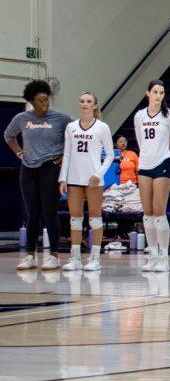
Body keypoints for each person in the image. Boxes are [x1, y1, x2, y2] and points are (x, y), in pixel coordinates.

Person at [5, 80, 71, 271]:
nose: (44, 104)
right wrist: (19, 152)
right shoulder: (21, 118)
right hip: (28, 169)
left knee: (49, 212)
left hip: (50, 167)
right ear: (32, 102)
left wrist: (63, 157)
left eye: (46, 100)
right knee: (32, 212)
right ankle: (30, 256)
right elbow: (8, 136)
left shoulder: (61, 118)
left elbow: (74, 137)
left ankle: (53, 256)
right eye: (39, 101)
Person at [58, 92, 113, 272]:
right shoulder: (71, 127)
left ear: (95, 105)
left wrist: (99, 174)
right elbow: (67, 153)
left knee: (95, 218)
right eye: (82, 101)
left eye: (89, 101)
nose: (85, 104)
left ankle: (95, 258)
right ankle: (75, 258)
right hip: (74, 178)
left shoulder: (102, 127)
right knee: (75, 219)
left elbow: (110, 155)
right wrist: (63, 178)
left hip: (93, 179)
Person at [133, 80, 170, 272]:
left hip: (163, 164)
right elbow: (139, 139)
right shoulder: (140, 115)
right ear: (148, 93)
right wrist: (147, 155)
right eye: (156, 92)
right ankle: (152, 254)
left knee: (159, 211)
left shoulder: (169, 116)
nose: (159, 95)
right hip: (144, 165)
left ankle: (163, 256)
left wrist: (168, 156)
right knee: (148, 212)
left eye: (162, 92)